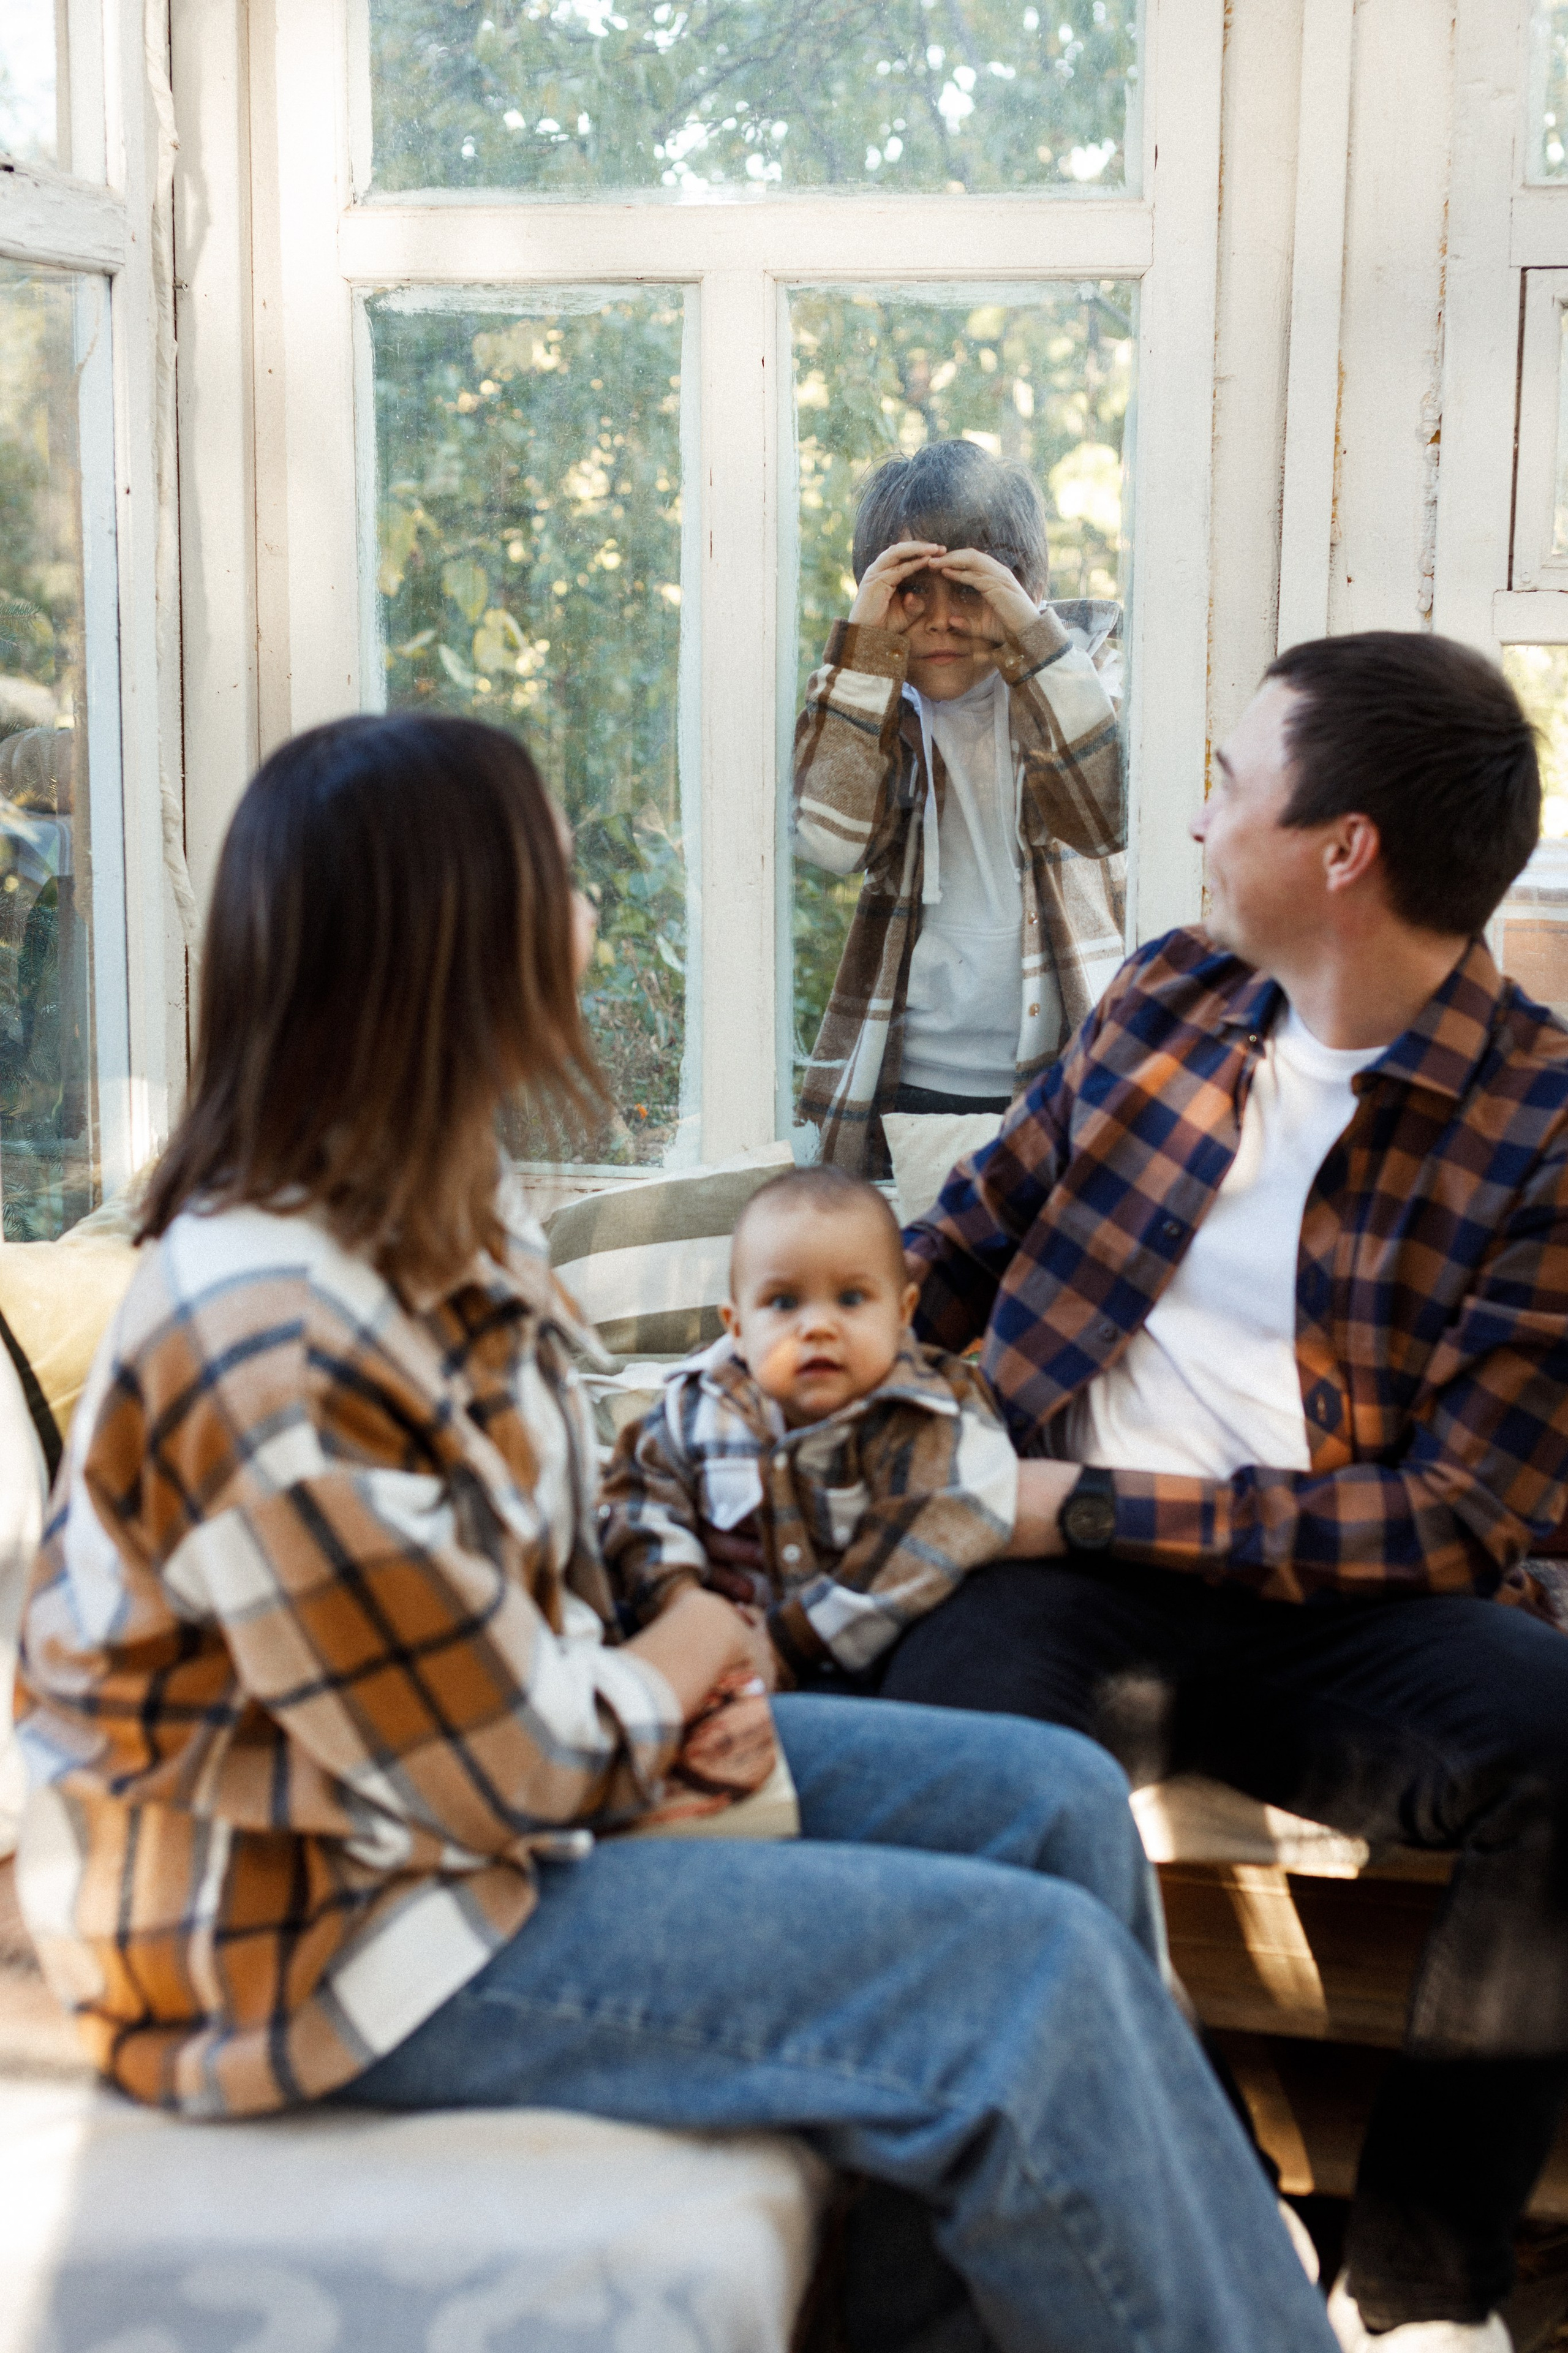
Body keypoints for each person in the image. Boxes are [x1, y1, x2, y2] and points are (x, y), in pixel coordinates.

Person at [12, 711, 1336, 2353]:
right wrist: (690, 1660)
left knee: (1057, 1802)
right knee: (1019, 1985)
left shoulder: (438, 1215)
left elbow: (544, 1555)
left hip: (464, 1800)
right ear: (450, 942)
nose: (585, 907)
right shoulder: (267, 1333)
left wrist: (671, 1649)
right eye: (555, 872)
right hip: (314, 1922)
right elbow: (492, 1770)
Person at [881, 631, 1568, 2353]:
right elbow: (962, 1242)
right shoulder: (1169, 999)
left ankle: (1423, 2297)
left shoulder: (1549, 1127)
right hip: (1057, 1589)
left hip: (1347, 1601)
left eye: (1228, 784)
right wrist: (794, 1368)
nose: (1196, 821)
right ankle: (1197, 2222)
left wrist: (1086, 1510)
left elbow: (1456, 1517)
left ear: (1345, 850)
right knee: (964, 1776)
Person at [793, 436, 1126, 1177]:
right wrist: (863, 649)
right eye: (912, 591)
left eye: (969, 589)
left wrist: (1030, 632)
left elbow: (1105, 818)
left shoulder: (1075, 685)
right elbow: (827, 838)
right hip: (914, 1073)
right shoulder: (879, 706)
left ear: (1022, 587)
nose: (940, 621)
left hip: (1070, 1059)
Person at [600, 1163, 1018, 1688]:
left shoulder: (930, 1415)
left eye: (851, 1298)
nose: (817, 1326)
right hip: (704, 1655)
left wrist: (779, 1643)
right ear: (737, 1326)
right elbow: (639, 1501)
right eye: (783, 1302)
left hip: (861, 1668)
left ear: (903, 1312)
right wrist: (681, 1600)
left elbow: (936, 1539)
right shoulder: (698, 1406)